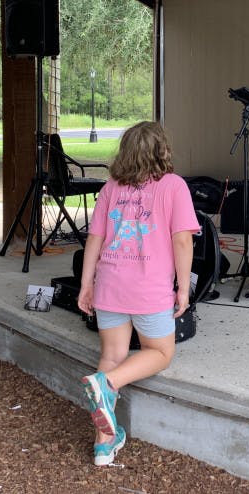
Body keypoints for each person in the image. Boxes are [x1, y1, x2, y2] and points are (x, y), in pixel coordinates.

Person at [76, 121, 199, 467]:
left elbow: (95, 239)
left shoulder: (110, 188)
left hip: (110, 285)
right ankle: (106, 384)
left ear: (125, 152)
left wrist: (86, 284)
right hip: (148, 290)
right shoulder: (174, 186)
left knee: (112, 354)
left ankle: (104, 445)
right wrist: (183, 287)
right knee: (160, 352)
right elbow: (182, 240)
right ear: (163, 151)